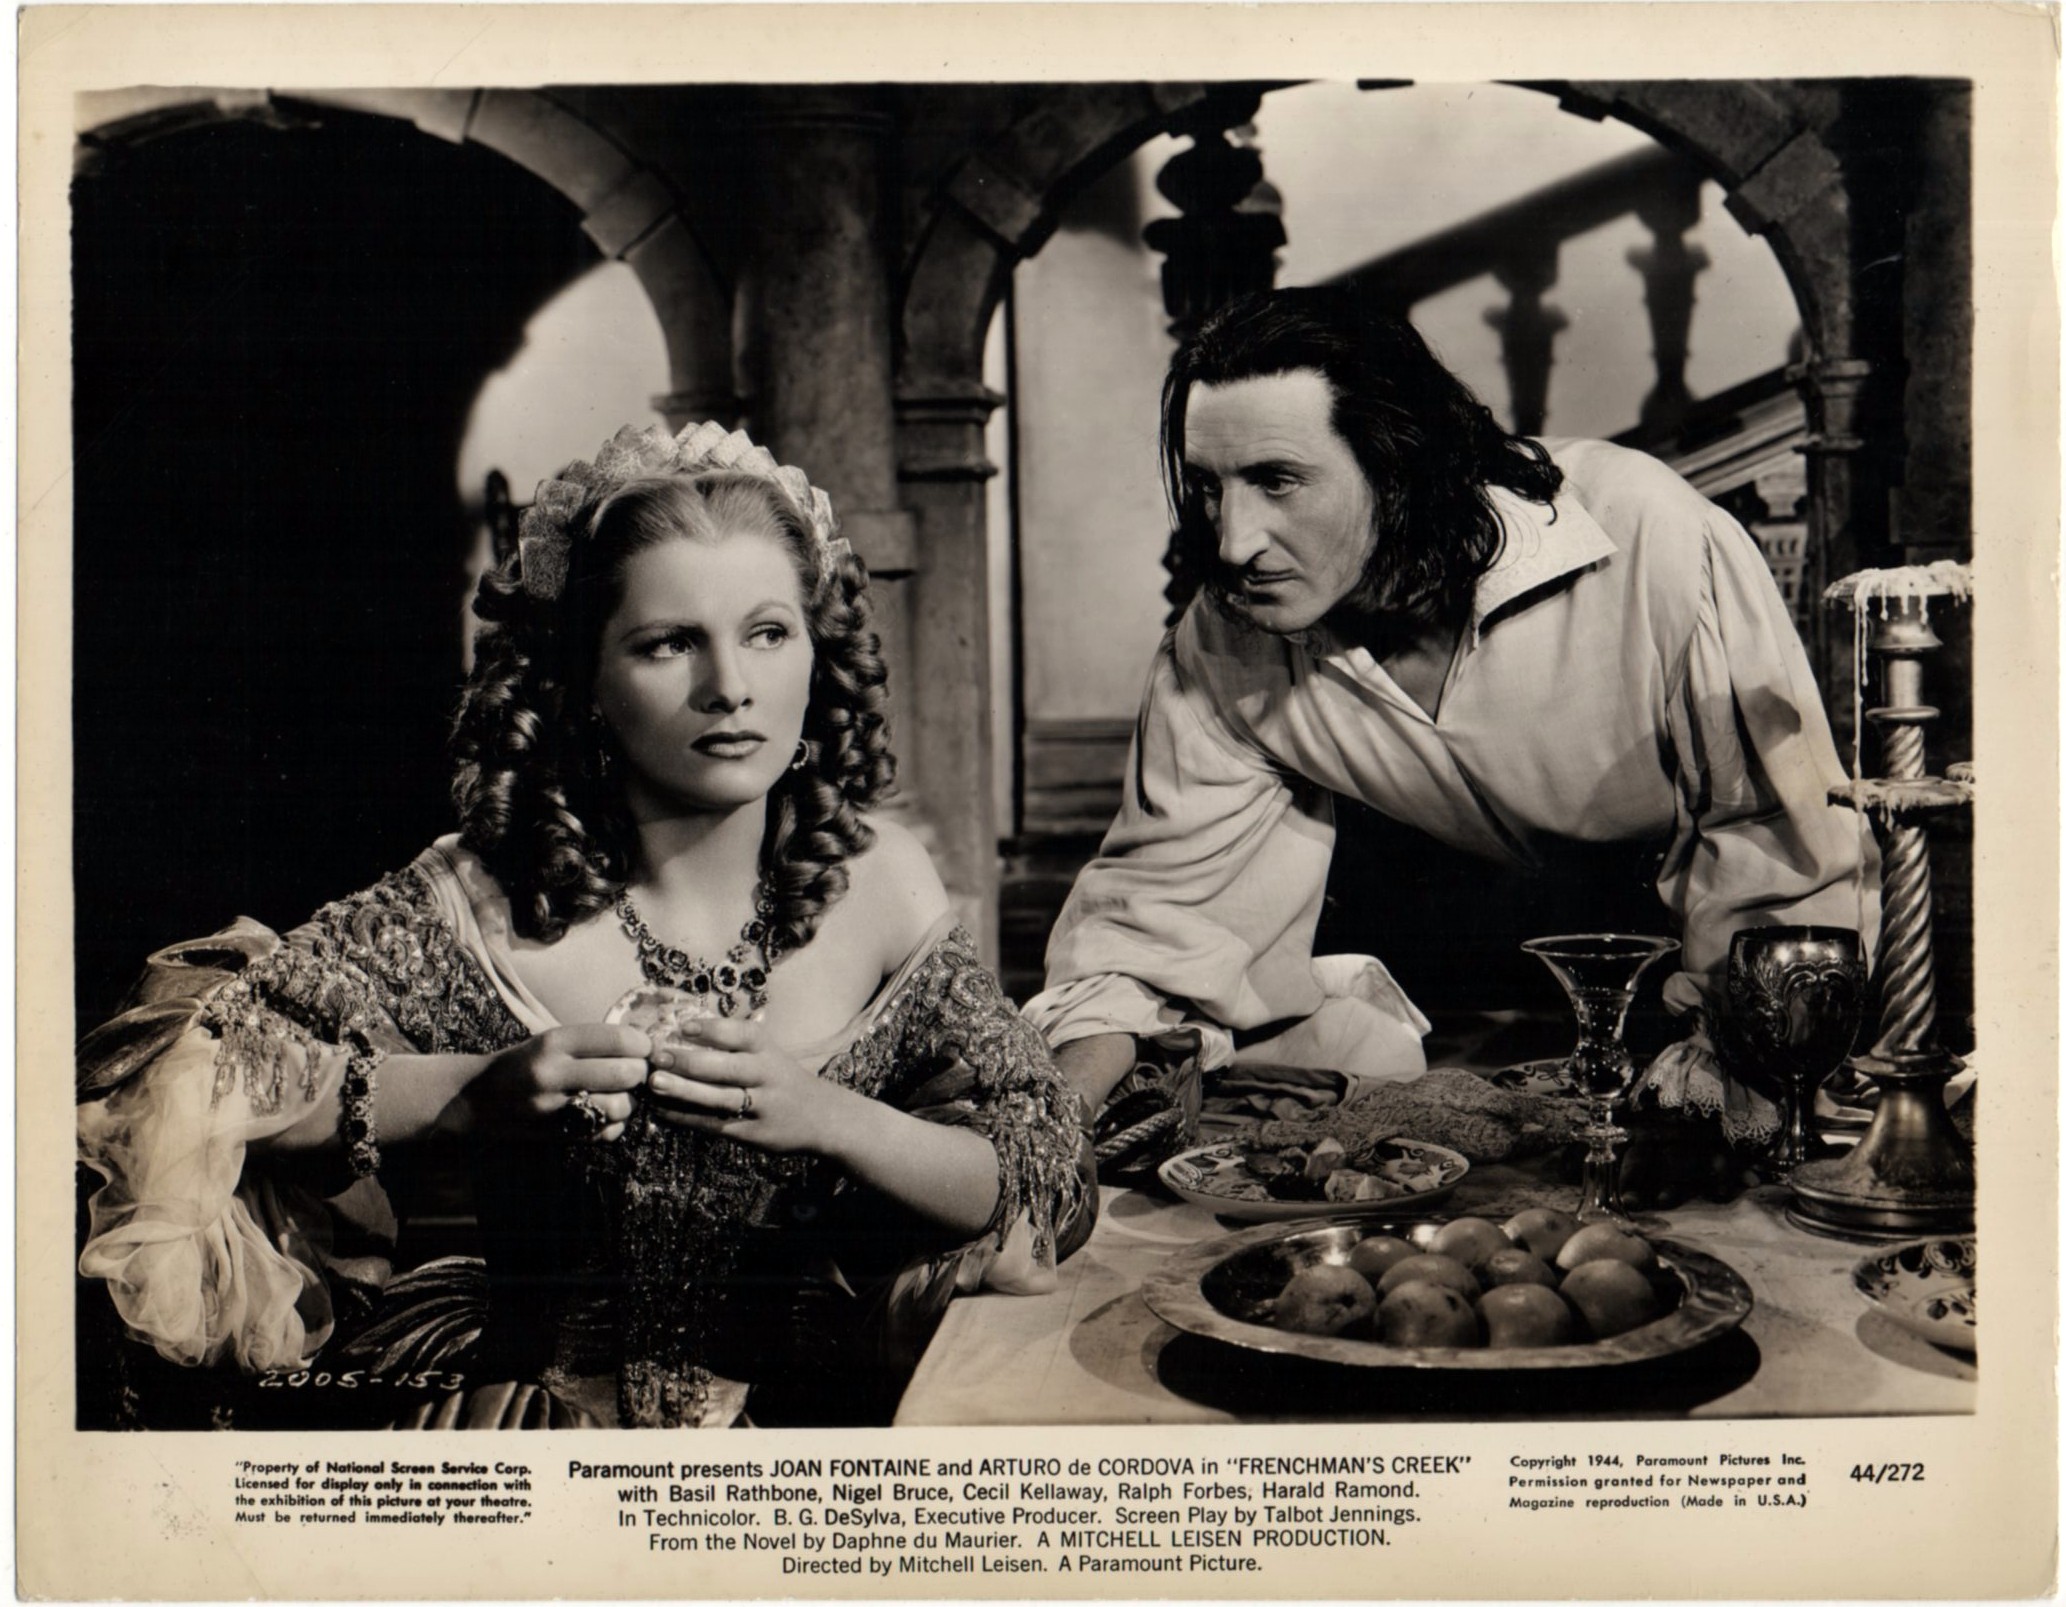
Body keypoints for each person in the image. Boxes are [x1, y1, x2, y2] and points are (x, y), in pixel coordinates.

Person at [77, 421, 1092, 1430]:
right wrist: (473, 1092)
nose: (730, 687)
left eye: (767, 633)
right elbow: (177, 1084)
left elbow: (1041, 1159)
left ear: (817, 653)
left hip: (817, 1427)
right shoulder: (478, 892)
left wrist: (828, 1116)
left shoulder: (882, 879)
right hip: (531, 1426)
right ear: (586, 679)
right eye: (669, 643)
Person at [1024, 288, 1878, 1157]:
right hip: (1450, 1015)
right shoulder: (1224, 641)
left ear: (1399, 465)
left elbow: (1784, 864)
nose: (1234, 541)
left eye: (1278, 481)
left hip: (1693, 1004)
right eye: (1210, 488)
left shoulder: (1653, 541)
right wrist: (1047, 1132)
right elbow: (1158, 918)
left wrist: (1732, 1080)